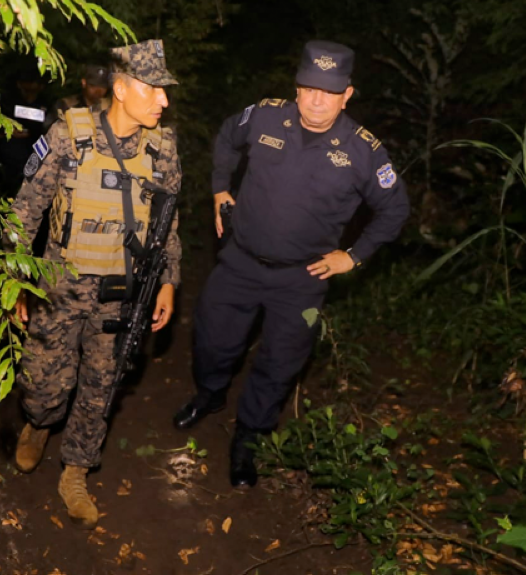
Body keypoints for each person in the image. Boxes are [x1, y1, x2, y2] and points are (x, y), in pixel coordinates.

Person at [173, 41, 410, 488]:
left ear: (347, 95)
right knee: (211, 338)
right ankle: (211, 393)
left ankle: (249, 437)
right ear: (297, 88)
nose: (317, 100)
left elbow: (394, 210)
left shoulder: (363, 151)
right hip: (240, 261)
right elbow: (226, 136)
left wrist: (354, 256)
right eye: (309, 88)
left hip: (301, 279)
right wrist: (220, 187)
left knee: (281, 361)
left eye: (330, 91)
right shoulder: (265, 115)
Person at [10, 40, 182, 529]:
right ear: (122, 89)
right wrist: (17, 278)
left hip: (121, 292)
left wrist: (169, 280)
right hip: (58, 285)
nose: (164, 101)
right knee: (43, 387)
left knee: (100, 388)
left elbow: (167, 223)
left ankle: (76, 472)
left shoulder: (162, 148)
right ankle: (39, 424)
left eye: (166, 92)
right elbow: (26, 209)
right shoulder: (67, 134)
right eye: (155, 90)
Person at [0, 65, 51, 195]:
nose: (32, 86)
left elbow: (49, 131)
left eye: (36, 83)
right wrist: (8, 132)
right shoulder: (8, 103)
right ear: (19, 84)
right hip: (9, 154)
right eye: (28, 82)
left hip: (35, 155)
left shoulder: (45, 104)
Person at [44, 65, 112, 129]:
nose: (98, 91)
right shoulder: (66, 104)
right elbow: (48, 128)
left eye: (103, 87)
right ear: (84, 83)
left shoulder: (108, 107)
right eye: (93, 86)